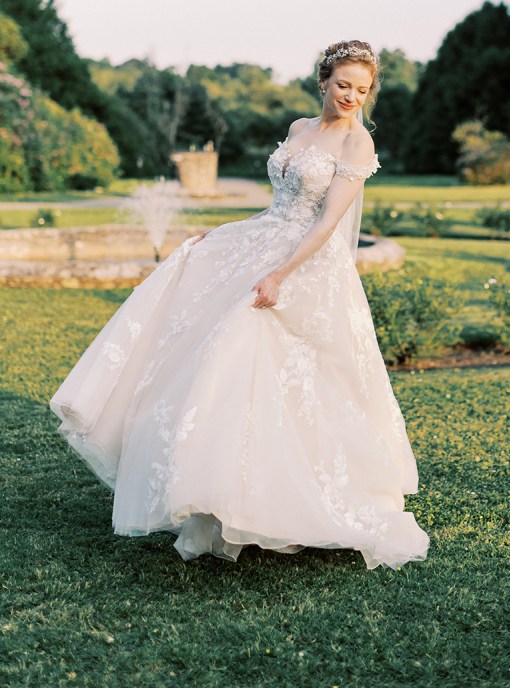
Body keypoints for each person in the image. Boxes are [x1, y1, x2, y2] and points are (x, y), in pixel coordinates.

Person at [50, 40, 429, 571]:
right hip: (263, 241)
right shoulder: (300, 130)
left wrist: (279, 274)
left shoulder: (357, 145)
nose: (352, 96)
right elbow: (278, 206)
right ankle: (216, 497)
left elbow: (325, 224)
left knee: (250, 357)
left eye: (363, 89)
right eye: (343, 85)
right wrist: (228, 235)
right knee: (202, 340)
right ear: (323, 82)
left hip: (305, 265)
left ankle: (275, 500)